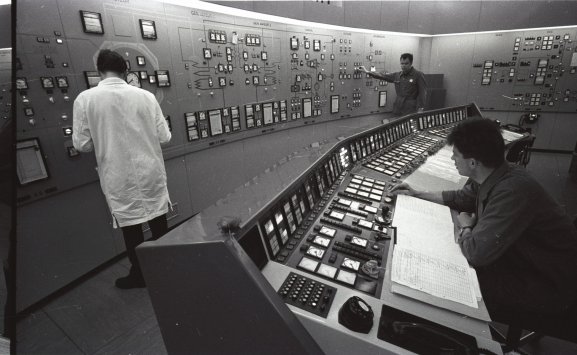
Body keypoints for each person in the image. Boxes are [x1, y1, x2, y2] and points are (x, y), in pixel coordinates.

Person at [391, 118, 577, 338]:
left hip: (547, 284)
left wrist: (466, 227)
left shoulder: (512, 190)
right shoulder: (495, 172)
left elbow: (477, 253)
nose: (451, 158)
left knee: (450, 288)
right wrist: (417, 193)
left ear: (473, 163)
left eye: (456, 154)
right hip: (526, 259)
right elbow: (461, 198)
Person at [73, 49, 172, 289]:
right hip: (150, 171)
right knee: (159, 222)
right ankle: (168, 268)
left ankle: (139, 275)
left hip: (118, 176)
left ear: (99, 71)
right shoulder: (146, 97)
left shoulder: (85, 99)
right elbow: (165, 136)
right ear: (126, 71)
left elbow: (82, 144)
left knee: (131, 229)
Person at [357, 53, 427, 116]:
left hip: (410, 107)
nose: (403, 66)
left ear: (411, 63)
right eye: (402, 63)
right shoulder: (397, 75)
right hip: (398, 106)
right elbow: (382, 75)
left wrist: (420, 109)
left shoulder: (418, 75)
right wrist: (367, 72)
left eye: (406, 64)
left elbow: (422, 93)